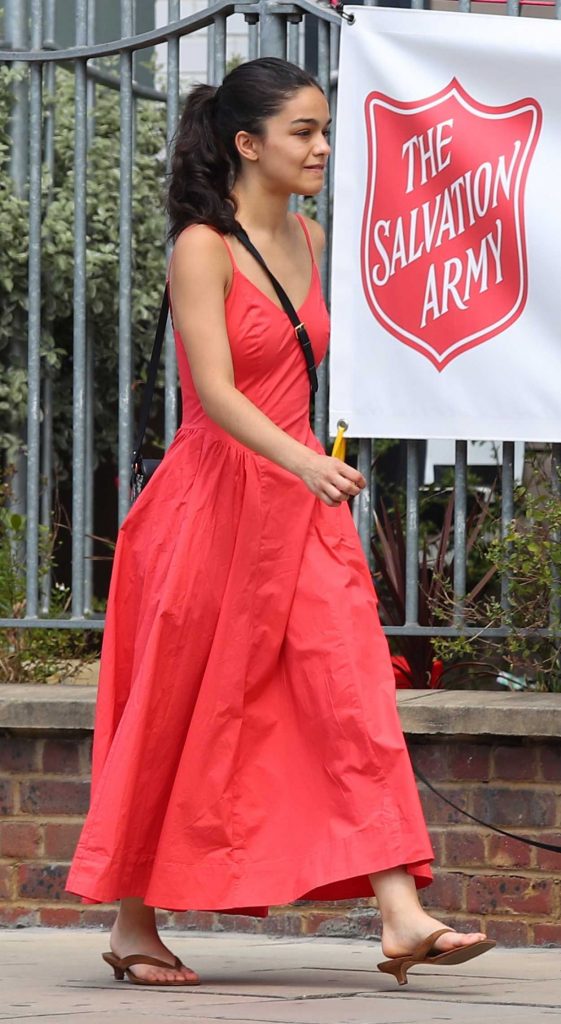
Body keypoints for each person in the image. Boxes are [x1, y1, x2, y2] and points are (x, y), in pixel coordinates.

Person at [66, 57, 493, 987]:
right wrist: (300, 460)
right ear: (247, 143)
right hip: (211, 505)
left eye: (324, 128)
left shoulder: (307, 233)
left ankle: (400, 913)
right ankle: (133, 924)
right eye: (303, 131)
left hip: (301, 512)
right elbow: (215, 392)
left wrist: (308, 463)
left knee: (350, 691)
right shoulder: (202, 247)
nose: (322, 146)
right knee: (174, 707)